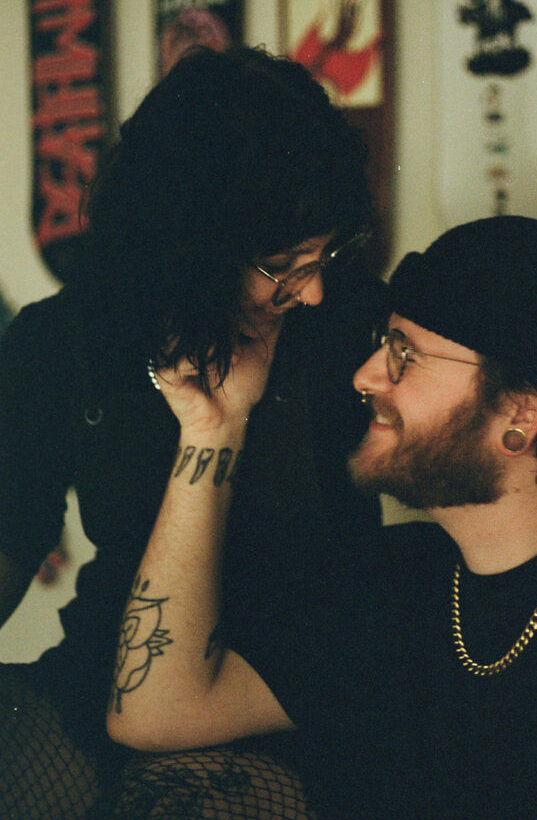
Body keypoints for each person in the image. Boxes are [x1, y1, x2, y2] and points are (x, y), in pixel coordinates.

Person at [106, 216, 537, 820]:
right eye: (384, 341)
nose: (366, 375)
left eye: (405, 354)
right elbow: (154, 713)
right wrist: (213, 425)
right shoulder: (394, 583)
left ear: (520, 414)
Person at [0, 45, 386, 819]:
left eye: (325, 255)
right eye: (284, 265)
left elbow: (503, 402)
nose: (310, 291)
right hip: (114, 658)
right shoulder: (62, 342)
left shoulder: (344, 317)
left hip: (285, 681)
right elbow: (11, 530)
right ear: (190, 250)